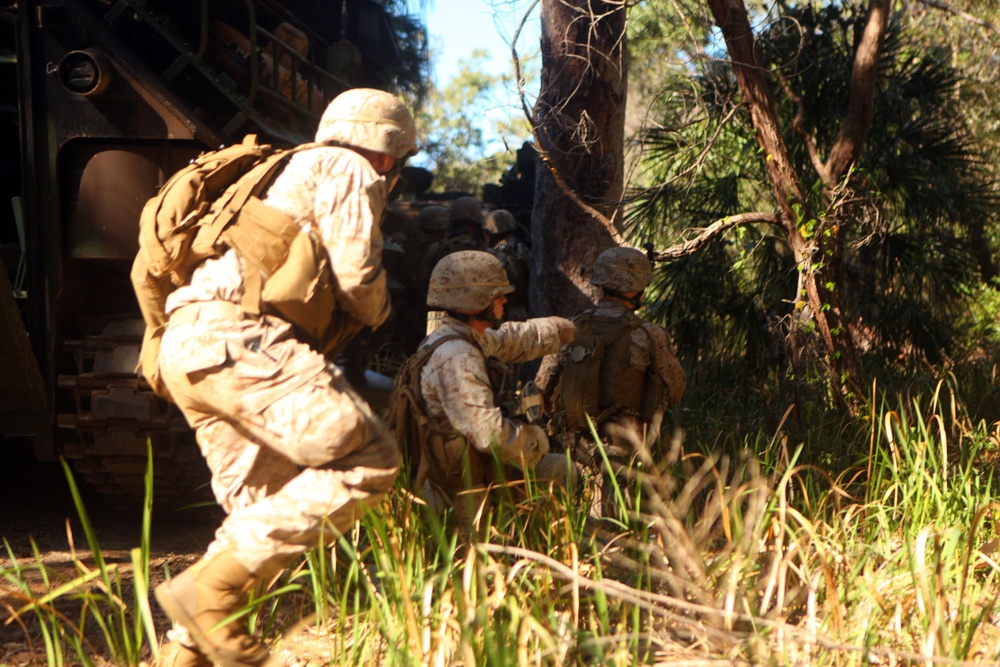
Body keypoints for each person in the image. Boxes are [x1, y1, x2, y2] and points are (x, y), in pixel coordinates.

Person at [151, 88, 417, 667]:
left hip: (191, 343)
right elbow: (357, 275)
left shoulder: (291, 169)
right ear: (390, 151)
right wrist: (380, 311)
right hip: (242, 340)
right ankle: (205, 593)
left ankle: (184, 655)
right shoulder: (348, 165)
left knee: (259, 521)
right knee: (366, 458)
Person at [395, 250, 578, 531]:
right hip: (459, 494)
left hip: (456, 475)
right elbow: (490, 434)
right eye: (497, 295)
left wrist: (554, 330)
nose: (504, 300)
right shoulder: (459, 357)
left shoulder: (449, 338)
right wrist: (536, 440)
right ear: (475, 300)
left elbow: (505, 340)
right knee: (559, 469)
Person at [534, 246, 686, 516]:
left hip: (573, 445)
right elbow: (675, 390)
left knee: (573, 516)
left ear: (602, 281)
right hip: (625, 448)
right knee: (616, 522)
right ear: (638, 287)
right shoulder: (650, 335)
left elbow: (541, 386)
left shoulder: (571, 328)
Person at [483, 209, 531, 322]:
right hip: (520, 312)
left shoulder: (491, 253)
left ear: (492, 232)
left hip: (497, 312)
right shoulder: (523, 250)